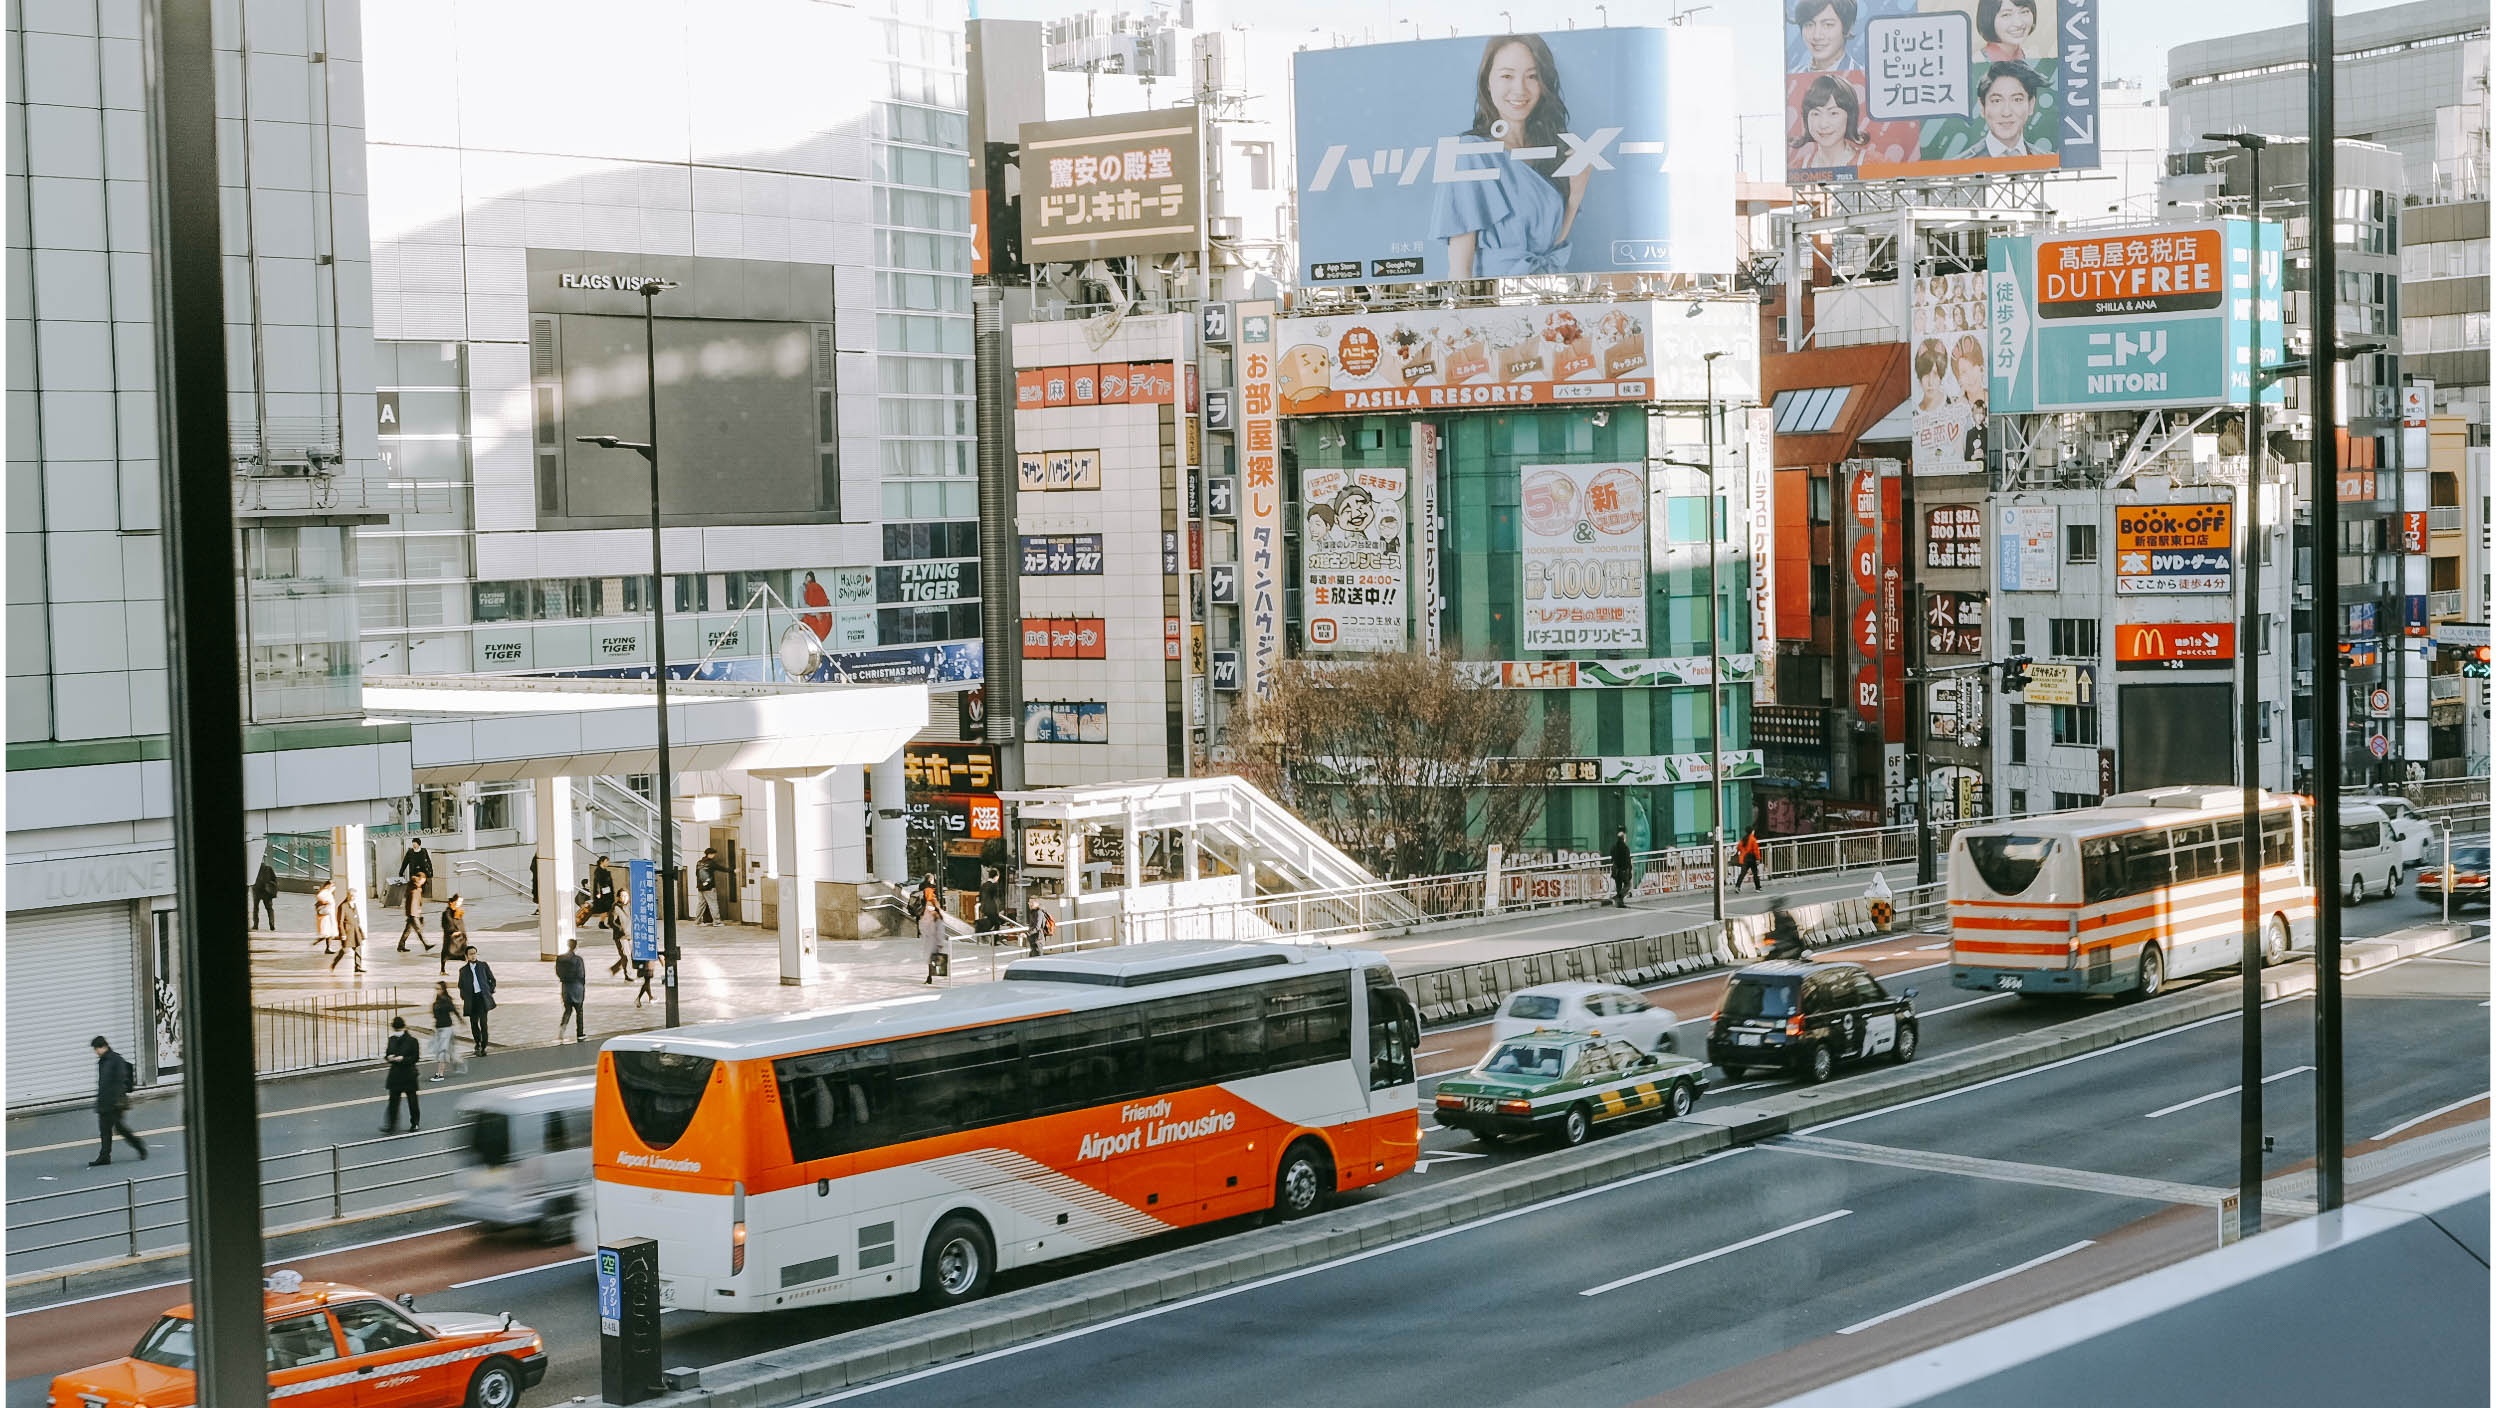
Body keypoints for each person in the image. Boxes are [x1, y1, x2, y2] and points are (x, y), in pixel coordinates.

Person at [1431, 34, 1587, 278]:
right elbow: (1459, 268)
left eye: (1532, 76)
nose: (1520, 89)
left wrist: (1575, 197)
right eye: (1507, 76)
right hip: (1495, 298)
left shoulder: (1552, 152)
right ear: (1488, 82)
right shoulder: (1469, 152)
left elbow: (1551, 246)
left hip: (1549, 291)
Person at [1971, 61, 2051, 158]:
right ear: (1982, 107)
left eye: (2017, 100)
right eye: (1997, 101)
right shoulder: (1960, 165)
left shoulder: (2047, 161)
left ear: (2031, 105)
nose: (2006, 112)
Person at [88, 1036, 146, 1167]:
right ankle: (104, 1156)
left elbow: (120, 1081)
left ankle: (139, 1146)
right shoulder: (103, 1061)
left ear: (104, 1046)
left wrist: (117, 1101)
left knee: (120, 1128)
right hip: (104, 1102)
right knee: (105, 1130)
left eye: (97, 1048)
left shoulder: (116, 1060)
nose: (96, 1052)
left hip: (115, 1102)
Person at [1790, 74, 1867, 171]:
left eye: (1833, 113)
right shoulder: (1797, 168)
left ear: (1850, 117)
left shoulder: (1872, 163)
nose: (1823, 124)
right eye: (1816, 114)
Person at [380, 1017, 423, 1133]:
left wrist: (403, 1059)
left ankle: (415, 1123)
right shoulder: (392, 1039)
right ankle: (391, 1125)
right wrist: (389, 1057)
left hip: (408, 1073)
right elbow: (388, 1053)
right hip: (396, 1074)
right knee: (393, 1101)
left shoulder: (412, 1041)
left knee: (412, 1101)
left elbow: (415, 1057)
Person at [1793, 0, 1856, 72]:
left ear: (1848, 28)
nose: (1817, 36)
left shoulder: (1863, 76)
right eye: (1809, 25)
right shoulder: (1792, 76)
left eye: (1828, 25)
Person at [457, 948, 497, 1057]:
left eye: (474, 953)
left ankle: (484, 1045)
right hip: (471, 999)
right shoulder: (463, 970)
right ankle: (477, 1043)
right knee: (474, 1023)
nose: (473, 956)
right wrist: (464, 996)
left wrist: (489, 991)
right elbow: (460, 985)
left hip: (482, 998)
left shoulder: (483, 965)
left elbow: (492, 979)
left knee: (483, 1023)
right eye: (470, 954)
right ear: (466, 956)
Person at [428, 981, 462, 1081]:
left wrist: (461, 1020)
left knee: (442, 1050)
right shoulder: (436, 1002)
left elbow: (454, 1011)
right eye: (436, 989)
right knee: (448, 1050)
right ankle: (457, 1062)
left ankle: (440, 1074)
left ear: (443, 990)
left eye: (438, 989)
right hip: (439, 1028)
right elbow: (435, 1016)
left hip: (447, 1028)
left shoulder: (447, 1001)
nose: (437, 991)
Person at [555, 939, 588, 1043]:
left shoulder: (560, 959)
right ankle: (580, 1033)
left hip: (565, 987)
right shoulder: (578, 960)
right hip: (577, 987)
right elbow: (582, 975)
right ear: (576, 947)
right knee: (579, 1011)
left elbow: (558, 972)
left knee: (567, 1010)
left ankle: (562, 1029)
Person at [918, 873, 948, 983]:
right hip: (933, 938)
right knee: (934, 956)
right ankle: (932, 976)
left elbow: (922, 924)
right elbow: (940, 926)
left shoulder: (923, 909)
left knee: (930, 957)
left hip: (927, 936)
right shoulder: (934, 909)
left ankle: (930, 976)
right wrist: (940, 941)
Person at [330, 888, 366, 973]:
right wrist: (342, 933)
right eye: (352, 896)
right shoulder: (343, 906)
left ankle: (358, 966)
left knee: (358, 948)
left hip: (355, 931)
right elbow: (340, 921)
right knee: (345, 950)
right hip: (348, 932)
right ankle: (334, 963)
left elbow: (357, 919)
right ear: (348, 895)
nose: (353, 897)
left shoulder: (354, 905)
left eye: (355, 896)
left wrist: (361, 932)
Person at [437, 893, 469, 975]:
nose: (460, 904)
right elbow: (447, 924)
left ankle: (469, 969)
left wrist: (462, 933)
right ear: (454, 901)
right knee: (446, 952)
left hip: (461, 937)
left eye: (461, 902)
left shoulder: (458, 911)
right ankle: (442, 970)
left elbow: (461, 923)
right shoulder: (447, 913)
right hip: (451, 936)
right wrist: (453, 931)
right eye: (459, 902)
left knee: (465, 952)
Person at [695, 846, 723, 925]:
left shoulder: (699, 862)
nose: (714, 856)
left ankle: (697, 921)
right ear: (710, 854)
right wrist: (732, 870)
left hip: (700, 887)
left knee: (701, 904)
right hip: (709, 887)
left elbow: (697, 874)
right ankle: (717, 922)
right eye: (713, 854)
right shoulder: (711, 863)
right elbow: (721, 868)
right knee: (713, 904)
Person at [310, 878, 339, 954]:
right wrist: (325, 902)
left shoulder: (328, 892)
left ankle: (325, 945)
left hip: (329, 914)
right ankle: (326, 946)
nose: (333, 887)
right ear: (328, 885)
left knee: (329, 932)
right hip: (326, 915)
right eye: (331, 885)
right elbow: (319, 897)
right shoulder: (324, 892)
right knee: (327, 932)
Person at [251, 857, 279, 931]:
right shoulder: (268, 868)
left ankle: (255, 925)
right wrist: (272, 887)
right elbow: (274, 879)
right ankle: (272, 924)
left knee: (256, 908)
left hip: (256, 891)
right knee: (269, 908)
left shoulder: (254, 869)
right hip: (267, 892)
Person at [1608, 829, 1633, 908]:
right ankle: (1619, 896)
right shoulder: (1625, 848)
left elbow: (1612, 857)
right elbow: (1627, 861)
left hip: (1615, 870)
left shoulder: (1613, 847)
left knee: (1618, 886)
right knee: (1628, 885)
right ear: (1623, 838)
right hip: (1623, 870)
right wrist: (1629, 871)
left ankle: (1620, 903)